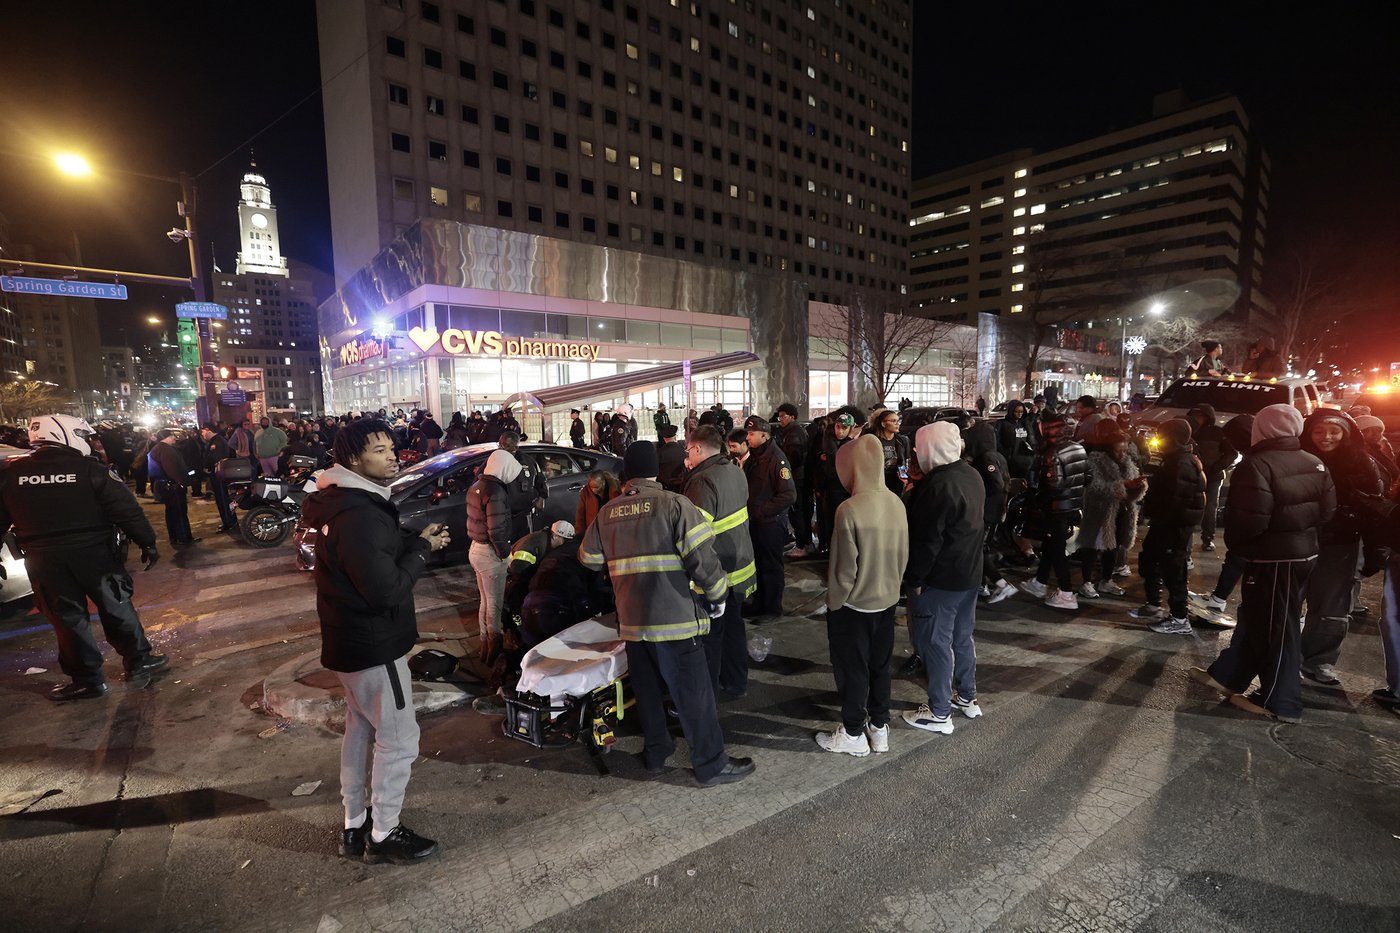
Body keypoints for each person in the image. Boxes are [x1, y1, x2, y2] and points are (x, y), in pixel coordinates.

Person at [301, 419, 450, 865]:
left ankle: (354, 823)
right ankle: (384, 832)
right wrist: (422, 552)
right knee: (400, 740)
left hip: (348, 643)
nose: (393, 456)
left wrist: (412, 542)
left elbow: (372, 559)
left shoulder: (339, 502)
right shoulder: (359, 513)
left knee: (361, 730)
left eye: (392, 448)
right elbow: (384, 589)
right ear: (352, 460)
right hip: (374, 646)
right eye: (380, 450)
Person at [579, 441, 754, 786]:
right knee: (694, 695)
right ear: (656, 471)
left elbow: (589, 559)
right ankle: (711, 764)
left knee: (646, 693)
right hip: (675, 622)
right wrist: (718, 596)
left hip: (632, 623)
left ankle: (656, 754)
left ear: (626, 474)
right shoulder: (675, 504)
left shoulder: (608, 513)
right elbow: (702, 559)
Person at [0, 415, 166, 701]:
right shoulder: (90, 469)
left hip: (44, 560)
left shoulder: (10, 474)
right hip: (95, 555)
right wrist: (147, 542)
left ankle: (87, 680)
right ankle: (139, 662)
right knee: (116, 608)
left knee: (67, 619)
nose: (90, 442)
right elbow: (126, 511)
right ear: (66, 434)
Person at [1192, 405, 1335, 723]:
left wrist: (1243, 548)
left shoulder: (1256, 464)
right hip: (1303, 555)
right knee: (1265, 622)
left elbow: (1247, 522)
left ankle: (1280, 701)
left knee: (1276, 630)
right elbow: (1327, 513)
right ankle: (1230, 675)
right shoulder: (1314, 462)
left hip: (1272, 559)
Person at [816, 433, 908, 756]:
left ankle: (853, 733)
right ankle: (879, 727)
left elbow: (844, 571)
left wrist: (834, 603)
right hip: (887, 602)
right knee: (880, 667)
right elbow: (903, 555)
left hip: (854, 606)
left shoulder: (848, 509)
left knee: (853, 669)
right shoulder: (897, 502)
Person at [903, 422, 985, 735]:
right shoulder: (971, 474)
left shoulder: (936, 486)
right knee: (961, 637)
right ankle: (967, 696)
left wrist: (914, 579)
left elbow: (927, 542)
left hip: (940, 580)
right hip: (969, 574)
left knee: (935, 644)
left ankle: (939, 712)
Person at [1298, 410, 1386, 686]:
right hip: (1298, 540)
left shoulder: (1362, 464)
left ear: (1347, 433)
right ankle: (1280, 655)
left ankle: (1318, 660)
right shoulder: (1298, 459)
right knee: (1286, 601)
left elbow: (1375, 509)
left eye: (1334, 431)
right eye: (1319, 431)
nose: (1327, 437)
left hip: (1340, 544)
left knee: (1332, 605)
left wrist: (1375, 550)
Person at [683, 424, 757, 696]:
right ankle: (736, 683)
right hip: (741, 569)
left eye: (688, 449)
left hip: (717, 575)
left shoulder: (702, 482)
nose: (687, 455)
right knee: (734, 632)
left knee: (710, 638)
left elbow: (695, 537)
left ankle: (708, 693)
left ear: (698, 448)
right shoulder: (734, 470)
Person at [1129, 419, 1207, 634]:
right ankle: (1154, 605)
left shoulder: (1182, 463)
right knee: (1150, 560)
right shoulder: (1174, 459)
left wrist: (1161, 517)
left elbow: (1177, 499)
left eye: (1162, 435)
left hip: (1173, 526)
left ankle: (1180, 618)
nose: (1158, 440)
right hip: (1165, 523)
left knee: (1174, 570)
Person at [1019, 413, 1088, 610]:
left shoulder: (1053, 453)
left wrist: (1038, 500)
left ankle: (1066, 594)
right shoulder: (1078, 448)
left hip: (1055, 510)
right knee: (1052, 544)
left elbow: (1053, 485)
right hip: (1072, 506)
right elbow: (1087, 477)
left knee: (1057, 550)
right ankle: (1040, 582)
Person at [1076, 422, 1145, 599]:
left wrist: (1138, 486)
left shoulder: (1127, 461)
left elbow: (1134, 480)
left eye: (1124, 449)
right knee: (1093, 546)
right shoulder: (1095, 460)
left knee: (1113, 547)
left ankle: (1106, 580)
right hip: (1101, 511)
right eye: (1118, 449)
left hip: (1122, 510)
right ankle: (1086, 582)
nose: (1122, 452)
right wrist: (1123, 486)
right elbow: (1094, 487)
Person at [467, 450, 519, 665]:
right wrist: (505, 554)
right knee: (495, 605)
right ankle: (493, 652)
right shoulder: (495, 491)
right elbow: (496, 529)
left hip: (475, 549)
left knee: (485, 601)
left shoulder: (476, 485)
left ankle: (483, 647)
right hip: (490, 554)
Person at [741, 416, 796, 620]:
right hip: (757, 522)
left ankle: (772, 608)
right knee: (759, 565)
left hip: (771, 523)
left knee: (771, 567)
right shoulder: (756, 456)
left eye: (752, 434)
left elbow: (789, 494)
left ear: (764, 435)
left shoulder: (776, 459)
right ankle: (760, 604)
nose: (748, 438)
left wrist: (763, 510)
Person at [964, 419, 1016, 604]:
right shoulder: (996, 455)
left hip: (987, 511)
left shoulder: (986, 458)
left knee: (977, 549)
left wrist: (980, 498)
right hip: (993, 511)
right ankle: (982, 585)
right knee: (982, 547)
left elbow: (997, 483)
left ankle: (1000, 583)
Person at [1188, 404, 1237, 551]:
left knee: (1210, 507)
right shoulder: (1189, 431)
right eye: (1195, 415)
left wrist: (1218, 466)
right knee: (1189, 506)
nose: (1198, 419)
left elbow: (1231, 453)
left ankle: (1208, 538)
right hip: (1192, 475)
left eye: (1201, 416)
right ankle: (1186, 538)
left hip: (1213, 476)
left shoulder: (1218, 433)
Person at [811, 411, 858, 553]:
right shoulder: (828, 437)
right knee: (831, 520)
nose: (840, 431)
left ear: (852, 427)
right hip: (832, 486)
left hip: (849, 487)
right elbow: (837, 456)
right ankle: (831, 551)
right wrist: (849, 439)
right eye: (838, 426)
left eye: (844, 428)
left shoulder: (859, 439)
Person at [773, 403, 812, 557]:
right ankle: (805, 543)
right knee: (801, 511)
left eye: (783, 416)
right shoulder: (793, 431)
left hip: (797, 478)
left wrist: (784, 471)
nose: (780, 419)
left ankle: (802, 545)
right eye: (780, 416)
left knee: (798, 511)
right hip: (801, 477)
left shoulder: (794, 433)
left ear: (792, 417)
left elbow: (792, 458)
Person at [147, 428, 197, 546]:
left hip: (167, 485)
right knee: (178, 512)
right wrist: (180, 482)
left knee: (172, 512)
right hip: (172, 486)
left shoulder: (159, 448)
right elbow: (171, 469)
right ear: (166, 438)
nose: (174, 438)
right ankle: (183, 537)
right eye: (172, 436)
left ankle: (176, 537)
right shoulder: (165, 449)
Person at [498, 431, 547, 541]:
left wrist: (542, 497)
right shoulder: (493, 461)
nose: (502, 448)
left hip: (523, 514)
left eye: (507, 446)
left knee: (524, 545)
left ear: (516, 447)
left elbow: (541, 480)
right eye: (502, 445)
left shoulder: (528, 461)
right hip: (502, 515)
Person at [201, 423, 237, 532]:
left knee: (223, 499)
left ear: (209, 431)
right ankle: (229, 521)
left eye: (203, 432)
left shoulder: (217, 442)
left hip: (219, 475)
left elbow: (214, 458)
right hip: (220, 474)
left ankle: (229, 522)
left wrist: (207, 466)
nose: (202, 435)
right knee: (224, 499)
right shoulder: (217, 440)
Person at [869, 408, 911, 495]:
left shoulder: (902, 441)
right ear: (883, 424)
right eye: (893, 421)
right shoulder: (873, 440)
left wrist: (905, 478)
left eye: (898, 421)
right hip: (878, 482)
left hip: (897, 482)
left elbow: (907, 461)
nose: (897, 423)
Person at [996, 401, 1035, 478]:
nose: (1019, 414)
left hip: (1025, 461)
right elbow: (997, 440)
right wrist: (1005, 454)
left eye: (1021, 411)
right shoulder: (1003, 424)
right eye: (1016, 411)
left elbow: (1031, 438)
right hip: (1011, 461)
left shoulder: (1025, 424)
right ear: (1011, 411)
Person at [655, 424, 688, 492]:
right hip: (681, 487)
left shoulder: (658, 453)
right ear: (676, 437)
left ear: (664, 439)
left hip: (664, 488)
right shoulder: (684, 452)